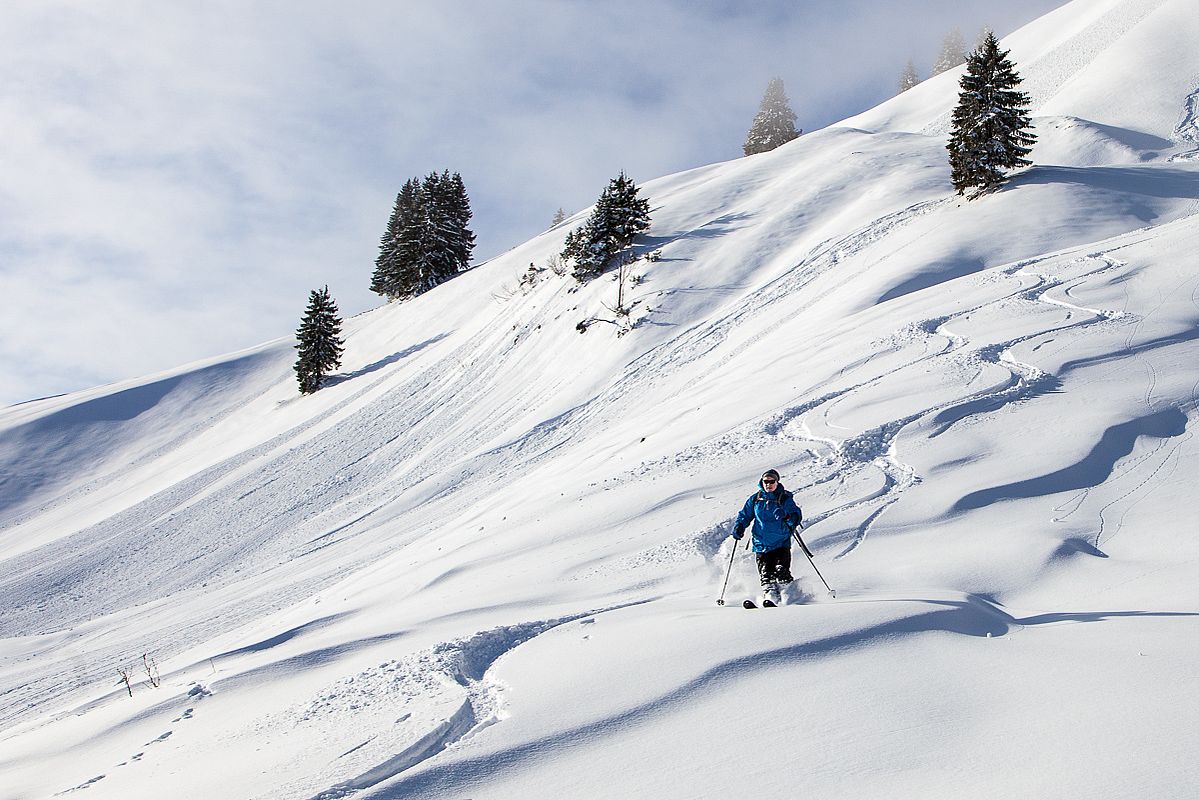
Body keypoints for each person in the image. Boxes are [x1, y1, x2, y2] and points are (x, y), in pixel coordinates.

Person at [731, 469, 803, 606]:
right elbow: (745, 515)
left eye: (771, 481)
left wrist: (787, 516)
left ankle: (789, 596)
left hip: (781, 542)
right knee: (766, 575)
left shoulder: (784, 498)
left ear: (777, 482)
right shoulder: (756, 498)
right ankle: (770, 598)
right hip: (761, 543)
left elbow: (796, 516)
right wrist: (739, 526)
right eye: (766, 481)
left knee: (782, 572)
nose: (768, 484)